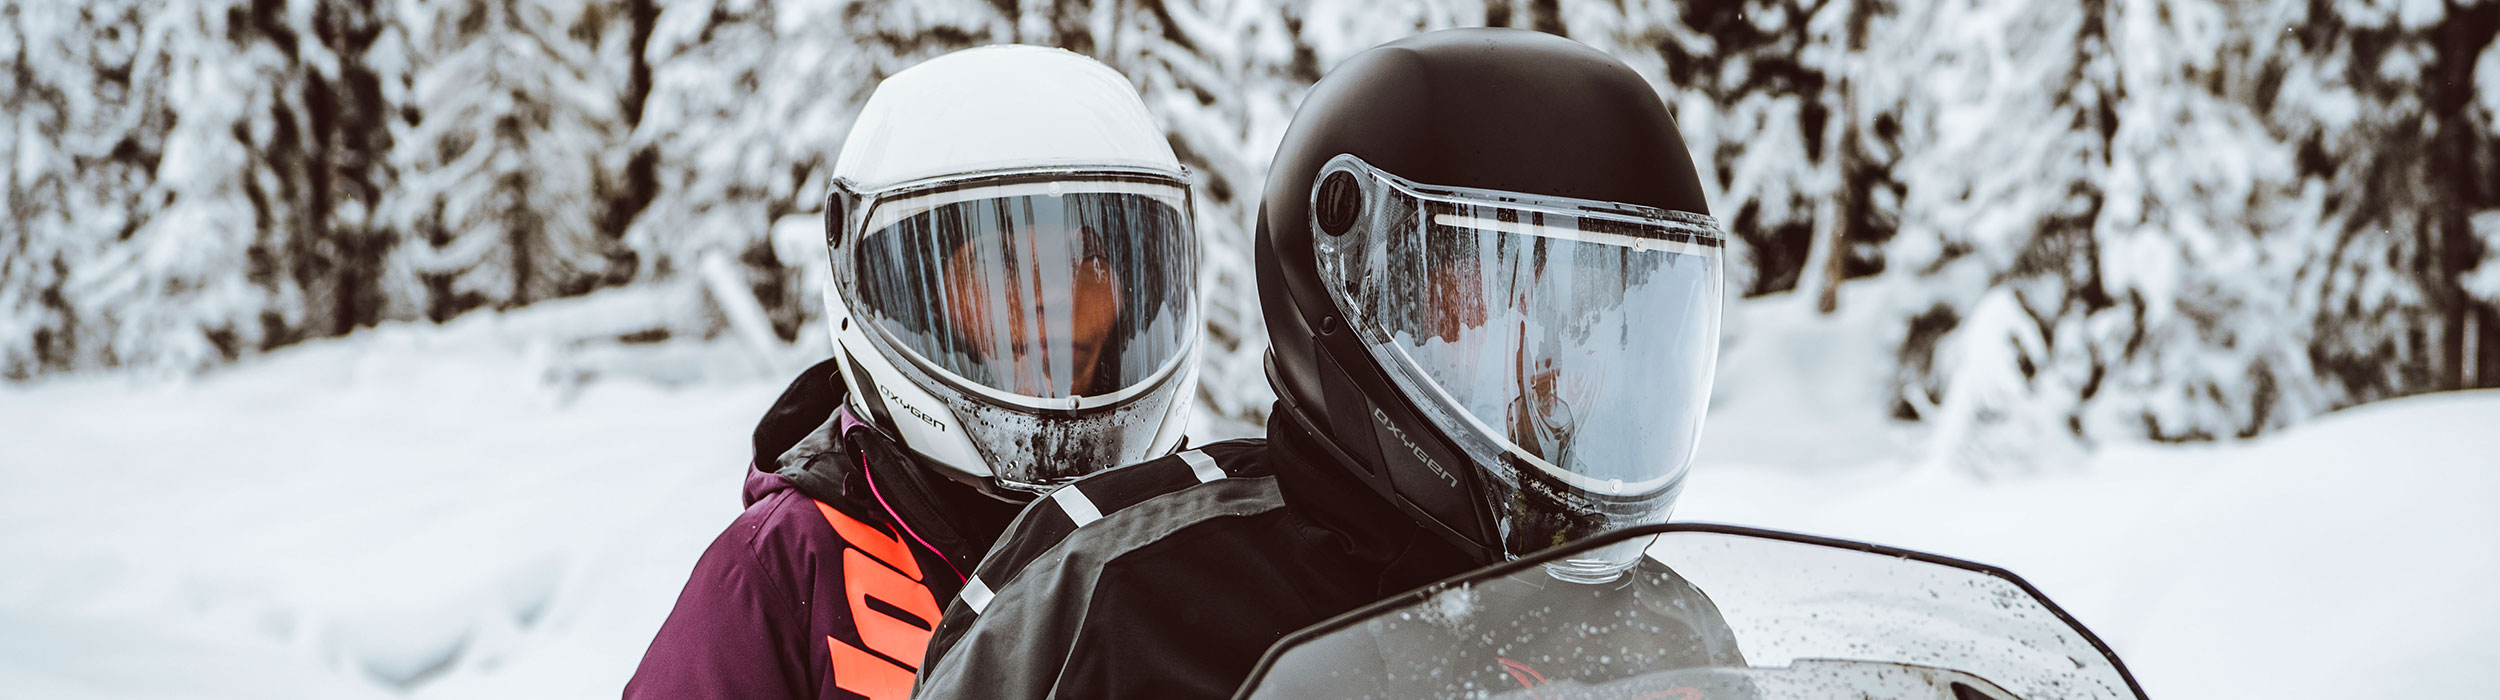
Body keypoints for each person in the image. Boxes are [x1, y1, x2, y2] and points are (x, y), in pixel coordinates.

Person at [909, 28, 1732, 700]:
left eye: (1598, 317)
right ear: (1352, 289)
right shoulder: (1118, 587)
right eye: (1482, 302)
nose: (1556, 361)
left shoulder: (1669, 634)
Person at [622, 45, 1203, 700]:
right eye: (999, 263)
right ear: (908, 297)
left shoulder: (1203, 537)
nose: (1051, 301)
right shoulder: (785, 574)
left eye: (1086, 258)